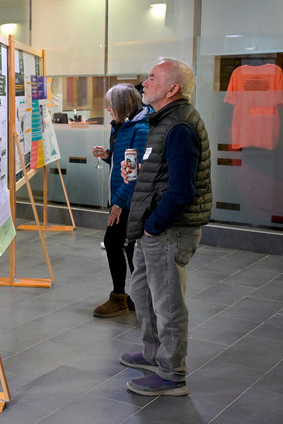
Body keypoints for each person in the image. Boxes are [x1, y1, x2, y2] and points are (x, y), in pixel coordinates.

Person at [119, 58, 212, 396]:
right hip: (153, 228)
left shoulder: (179, 127)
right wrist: (139, 177)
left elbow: (182, 190)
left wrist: (153, 226)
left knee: (168, 304)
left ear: (172, 88)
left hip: (168, 230)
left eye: (153, 78)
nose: (144, 82)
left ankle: (172, 374)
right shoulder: (163, 120)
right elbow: (163, 174)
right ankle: (153, 354)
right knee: (141, 293)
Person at [92, 83, 149, 318]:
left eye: (110, 104)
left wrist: (118, 203)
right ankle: (136, 298)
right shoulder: (122, 126)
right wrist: (108, 156)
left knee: (117, 243)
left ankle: (122, 297)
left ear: (123, 105)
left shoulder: (141, 129)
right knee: (127, 246)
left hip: (129, 200)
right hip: (122, 197)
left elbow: (136, 173)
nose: (108, 109)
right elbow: (123, 162)